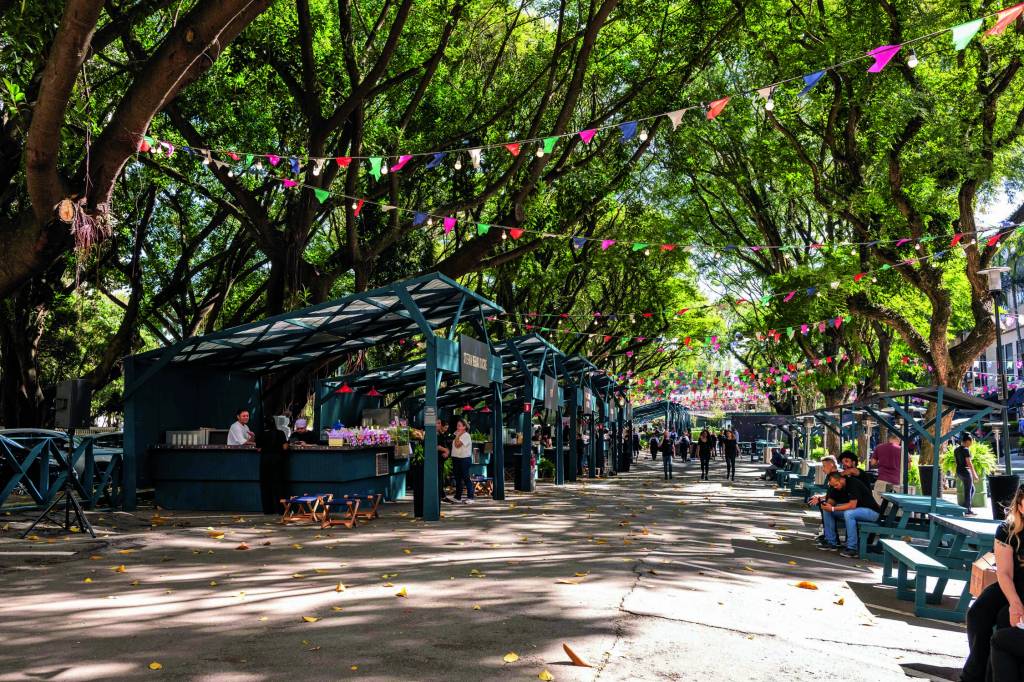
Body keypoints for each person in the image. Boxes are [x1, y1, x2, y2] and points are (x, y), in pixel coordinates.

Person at [962, 486, 1024, 681]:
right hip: (1011, 583)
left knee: (1005, 619)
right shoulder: (1007, 529)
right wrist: (1015, 602)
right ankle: (974, 674)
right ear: (1019, 506)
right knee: (977, 613)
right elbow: (1004, 573)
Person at [818, 471, 881, 557]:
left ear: (841, 479)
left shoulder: (852, 483)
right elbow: (832, 500)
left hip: (872, 512)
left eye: (836, 485)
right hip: (857, 511)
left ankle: (852, 548)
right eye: (833, 486)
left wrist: (832, 508)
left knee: (849, 513)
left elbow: (852, 505)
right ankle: (831, 542)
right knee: (827, 510)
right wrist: (827, 505)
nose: (835, 487)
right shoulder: (837, 486)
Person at [254, 416, 287, 513]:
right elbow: (285, 447)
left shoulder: (261, 434)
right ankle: (280, 509)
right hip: (277, 460)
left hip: (265, 460)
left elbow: (258, 449)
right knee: (278, 485)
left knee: (265, 485)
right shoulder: (280, 433)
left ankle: (268, 509)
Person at [869, 433, 902, 502]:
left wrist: (881, 463)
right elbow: (909, 467)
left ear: (888, 439)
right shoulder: (902, 449)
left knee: (877, 504)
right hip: (896, 482)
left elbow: (872, 463)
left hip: (882, 480)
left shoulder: (879, 447)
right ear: (898, 440)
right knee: (893, 506)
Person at [955, 435, 980, 516]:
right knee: (968, 491)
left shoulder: (956, 450)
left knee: (972, 489)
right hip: (966, 471)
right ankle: (967, 510)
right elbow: (969, 463)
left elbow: (956, 461)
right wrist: (974, 474)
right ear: (967, 441)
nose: (972, 443)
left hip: (959, 471)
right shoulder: (966, 449)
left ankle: (965, 506)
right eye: (971, 441)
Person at [450, 418, 474, 504]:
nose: (457, 427)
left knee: (466, 478)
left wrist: (457, 436)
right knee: (458, 479)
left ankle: (470, 497)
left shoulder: (466, 435)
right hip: (456, 458)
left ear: (464, 427)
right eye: (457, 425)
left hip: (464, 459)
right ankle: (458, 497)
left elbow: (457, 445)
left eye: (459, 426)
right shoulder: (457, 434)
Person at [437, 419, 455, 504]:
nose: (439, 425)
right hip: (437, 460)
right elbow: (437, 446)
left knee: (441, 478)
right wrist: (446, 450)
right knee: (439, 478)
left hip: (441, 460)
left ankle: (442, 495)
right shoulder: (436, 434)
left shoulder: (443, 435)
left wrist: (447, 451)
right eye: (438, 423)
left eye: (439, 423)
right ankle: (442, 495)